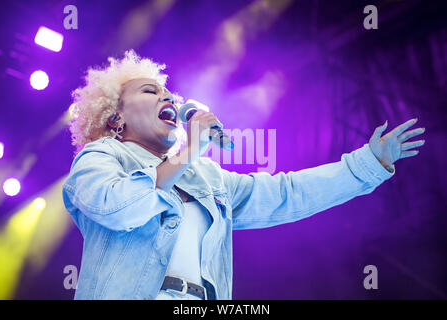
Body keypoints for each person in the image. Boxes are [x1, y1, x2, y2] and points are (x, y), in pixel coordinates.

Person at [62, 50, 425, 300]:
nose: (168, 98)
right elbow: (116, 207)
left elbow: (289, 194)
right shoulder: (101, 157)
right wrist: (189, 152)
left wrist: (367, 163)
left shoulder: (205, 176)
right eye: (150, 91)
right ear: (116, 117)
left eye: (169, 92)